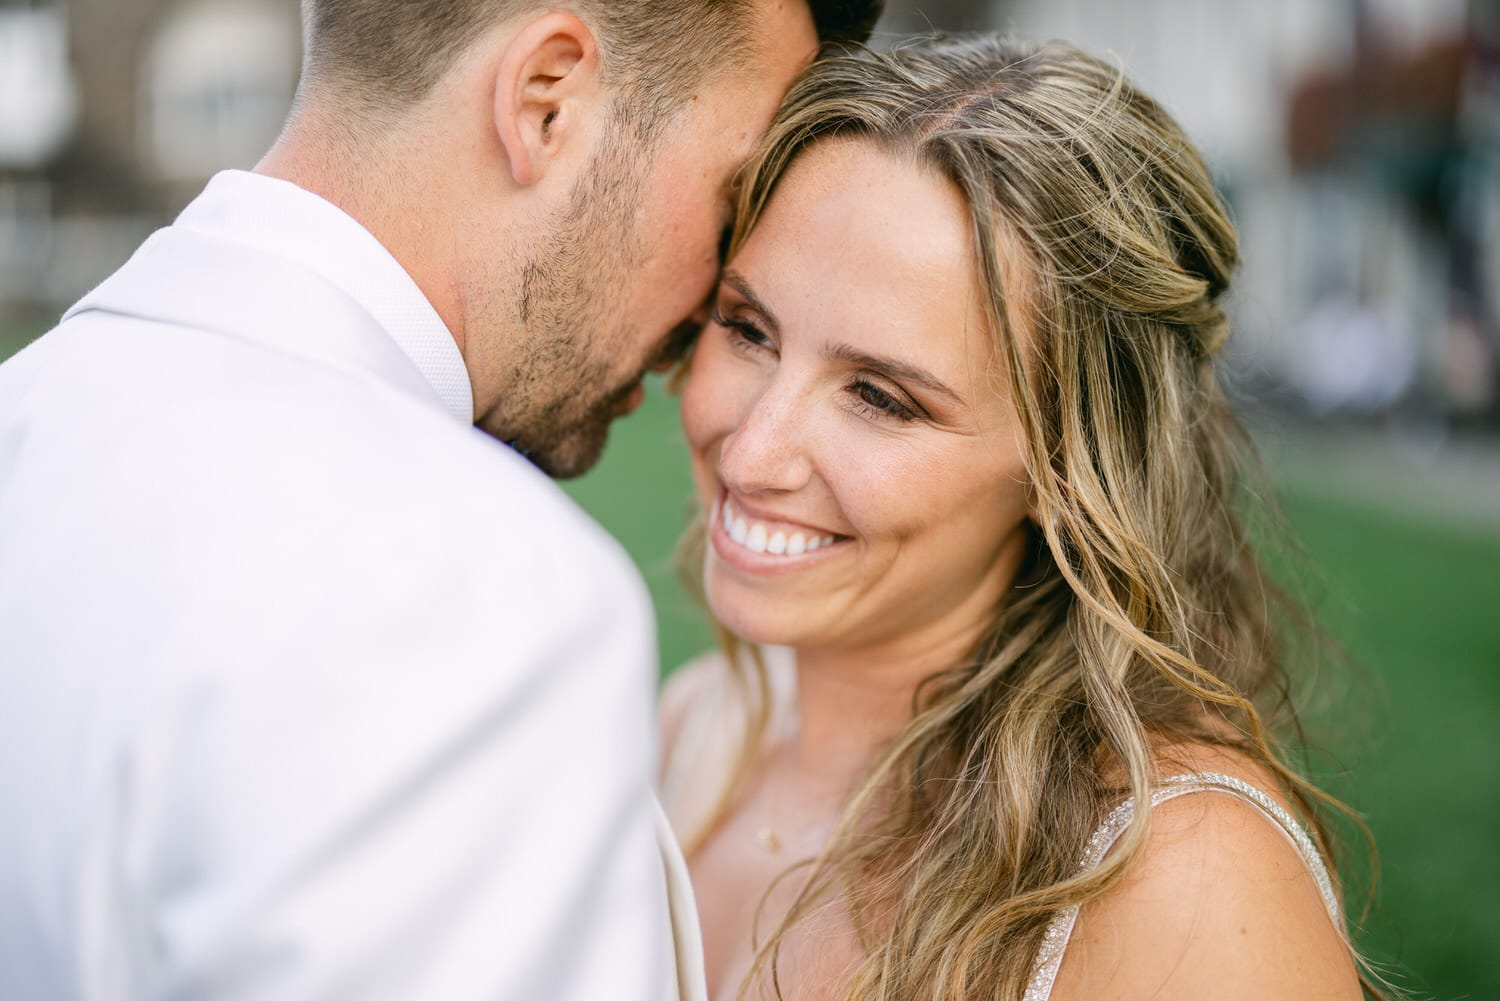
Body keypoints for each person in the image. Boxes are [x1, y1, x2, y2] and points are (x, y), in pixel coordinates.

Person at [0, 1, 882, 999]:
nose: (714, 300)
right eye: (729, 203)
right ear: (546, 101)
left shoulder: (28, 415)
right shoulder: (481, 591)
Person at [660, 36, 1380, 1001]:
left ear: (1065, 467)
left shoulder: (1175, 879)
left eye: (879, 395)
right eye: (748, 328)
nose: (749, 452)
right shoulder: (688, 729)